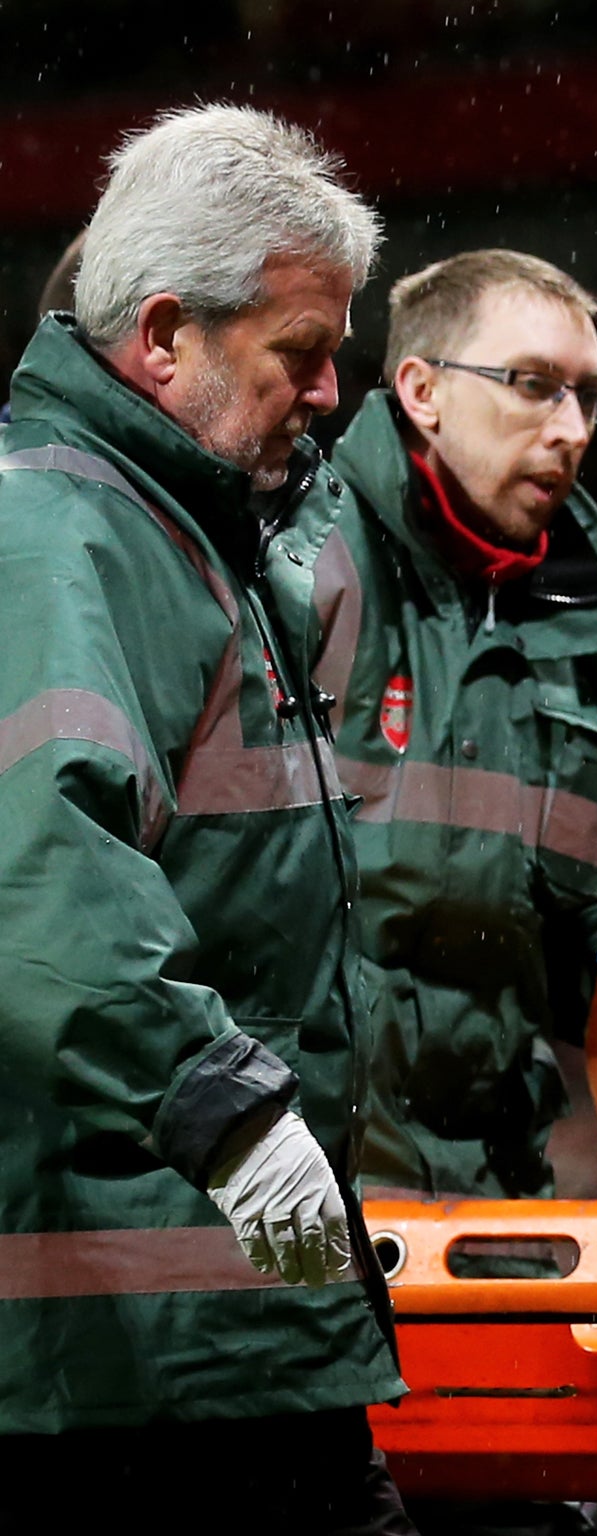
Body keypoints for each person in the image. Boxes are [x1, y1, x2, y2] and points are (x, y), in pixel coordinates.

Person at [0, 105, 412, 1531]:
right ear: (164, 335)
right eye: (301, 352)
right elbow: (40, 868)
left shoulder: (178, 525)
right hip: (123, 1363)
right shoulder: (59, 530)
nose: (331, 391)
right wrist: (228, 1112)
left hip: (213, 1328)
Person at [306, 248, 597, 1210]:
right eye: (534, 387)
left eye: (590, 399)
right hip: (277, 1190)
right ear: (421, 390)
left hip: (496, 1189)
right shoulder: (290, 567)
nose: (571, 430)